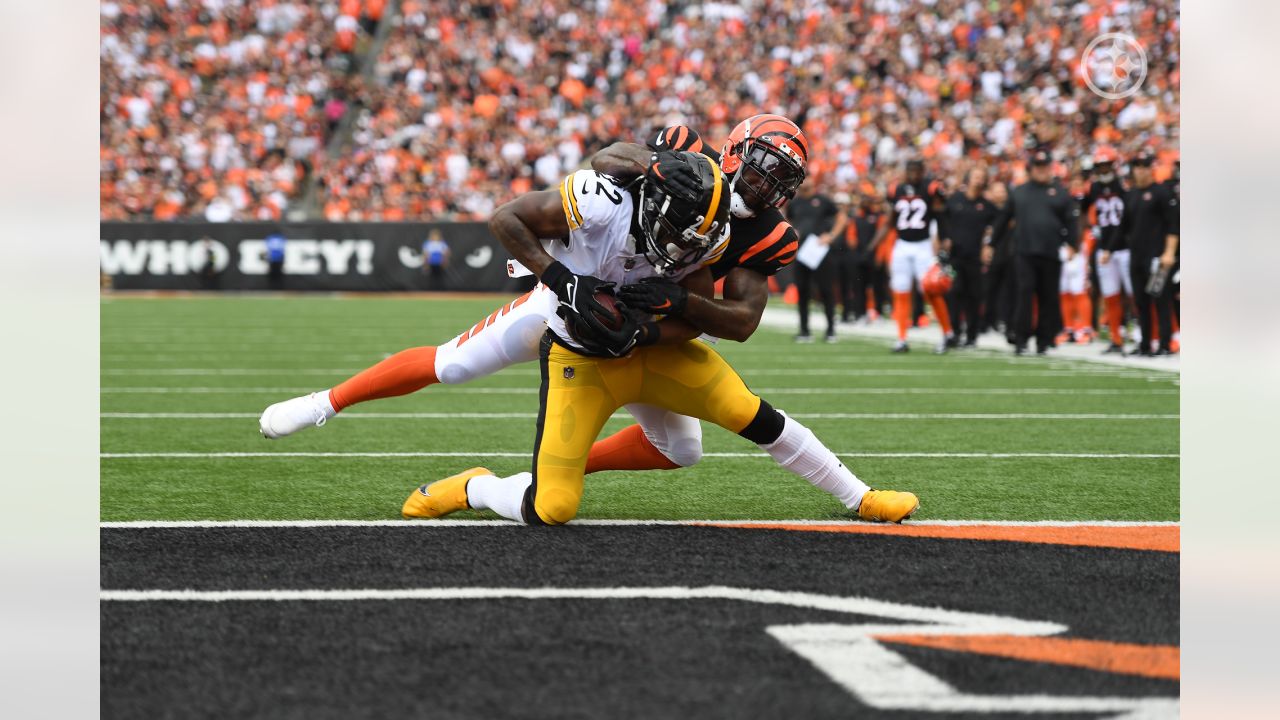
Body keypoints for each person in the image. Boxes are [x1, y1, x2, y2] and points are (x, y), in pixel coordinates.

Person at [259, 119, 809, 481]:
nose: (765, 185)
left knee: (681, 450)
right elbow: (605, 159)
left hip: (652, 318)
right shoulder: (683, 155)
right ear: (736, 149)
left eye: (780, 180)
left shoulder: (769, 235)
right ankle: (324, 403)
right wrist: (567, 278)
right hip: (584, 287)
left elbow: (734, 322)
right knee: (451, 365)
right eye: (763, 166)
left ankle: (544, 477)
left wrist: (660, 315)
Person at [401, 151, 919, 526]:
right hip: (580, 362)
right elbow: (517, 212)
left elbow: (703, 319)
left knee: (750, 413)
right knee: (552, 508)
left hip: (657, 352)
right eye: (678, 228)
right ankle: (475, 486)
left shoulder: (708, 229)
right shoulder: (608, 204)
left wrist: (654, 321)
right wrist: (565, 282)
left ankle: (861, 497)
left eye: (698, 235)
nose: (683, 243)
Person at [990, 148, 1080, 356]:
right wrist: (991, 243)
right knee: (1024, 293)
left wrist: (1072, 244)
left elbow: (1071, 220)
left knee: (1048, 296)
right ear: (1031, 169)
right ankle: (1021, 337)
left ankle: (1044, 339)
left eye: (1045, 166)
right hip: (1025, 251)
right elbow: (1003, 219)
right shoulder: (1020, 192)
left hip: (1050, 251)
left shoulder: (1060, 192)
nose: (1041, 170)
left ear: (1050, 168)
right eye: (1038, 167)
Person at [868, 159, 954, 353]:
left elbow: (941, 212)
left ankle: (947, 333)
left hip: (923, 245)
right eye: (910, 170)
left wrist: (945, 239)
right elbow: (890, 220)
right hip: (902, 244)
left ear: (923, 171)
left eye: (917, 170)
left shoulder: (930, 187)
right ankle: (901, 338)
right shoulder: (895, 190)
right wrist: (874, 244)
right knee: (900, 290)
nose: (913, 174)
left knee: (932, 289)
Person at [1118, 150, 1179, 356]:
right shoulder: (1130, 195)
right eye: (1138, 167)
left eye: (1145, 167)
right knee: (1141, 302)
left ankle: (1164, 344)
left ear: (1151, 169)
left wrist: (1169, 252)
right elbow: (1124, 228)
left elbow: (1173, 225)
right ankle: (1145, 344)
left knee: (1160, 300)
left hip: (1157, 257)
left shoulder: (1161, 193)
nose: (1141, 171)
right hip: (1137, 256)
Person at [1080, 147, 1131, 354]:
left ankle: (1148, 336)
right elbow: (1082, 210)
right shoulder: (1093, 188)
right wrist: (1093, 230)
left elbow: (1129, 216)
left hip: (1125, 247)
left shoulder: (1123, 185)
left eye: (1106, 165)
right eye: (1100, 166)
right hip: (1104, 249)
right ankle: (1116, 338)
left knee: (1135, 294)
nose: (1103, 170)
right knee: (1110, 295)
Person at [940, 166, 997, 347]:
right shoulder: (955, 200)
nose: (979, 180)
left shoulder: (987, 206)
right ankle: (954, 332)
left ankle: (972, 335)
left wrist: (988, 245)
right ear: (968, 178)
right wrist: (944, 239)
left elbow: (994, 227)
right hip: (955, 256)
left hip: (975, 257)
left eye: (982, 177)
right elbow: (943, 221)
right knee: (954, 293)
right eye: (976, 176)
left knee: (974, 296)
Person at [787, 176, 845, 343]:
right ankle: (804, 330)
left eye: (809, 180)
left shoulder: (823, 200)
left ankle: (831, 330)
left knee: (826, 290)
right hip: (801, 251)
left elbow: (842, 217)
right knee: (803, 291)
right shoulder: (795, 202)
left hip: (820, 250)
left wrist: (831, 236)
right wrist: (792, 232)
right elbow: (787, 219)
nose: (807, 183)